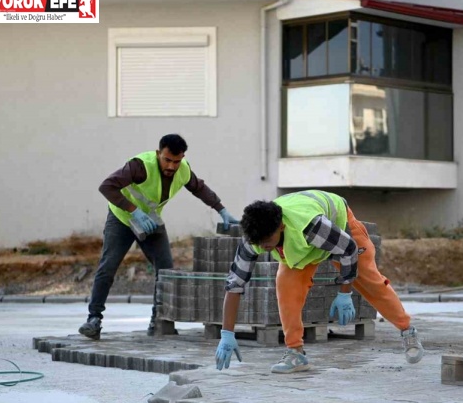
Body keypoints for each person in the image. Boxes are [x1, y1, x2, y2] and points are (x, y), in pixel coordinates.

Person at [214, 190, 424, 373]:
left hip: (339, 230)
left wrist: (344, 292)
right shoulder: (254, 237)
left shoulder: (312, 226)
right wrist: (227, 333)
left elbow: (348, 249)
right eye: (259, 244)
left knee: (369, 280)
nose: (263, 248)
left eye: (267, 242)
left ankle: (407, 331)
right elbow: (234, 284)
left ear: (281, 227)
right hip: (303, 247)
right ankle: (295, 354)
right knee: (286, 288)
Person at [79, 134, 240, 340]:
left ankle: (158, 321)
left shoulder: (183, 170)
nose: (172, 166)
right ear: (158, 154)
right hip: (122, 218)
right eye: (167, 160)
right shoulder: (140, 166)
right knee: (108, 266)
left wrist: (221, 209)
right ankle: (94, 320)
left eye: (176, 161)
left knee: (165, 270)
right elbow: (107, 186)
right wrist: (133, 210)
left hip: (152, 221)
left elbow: (199, 188)